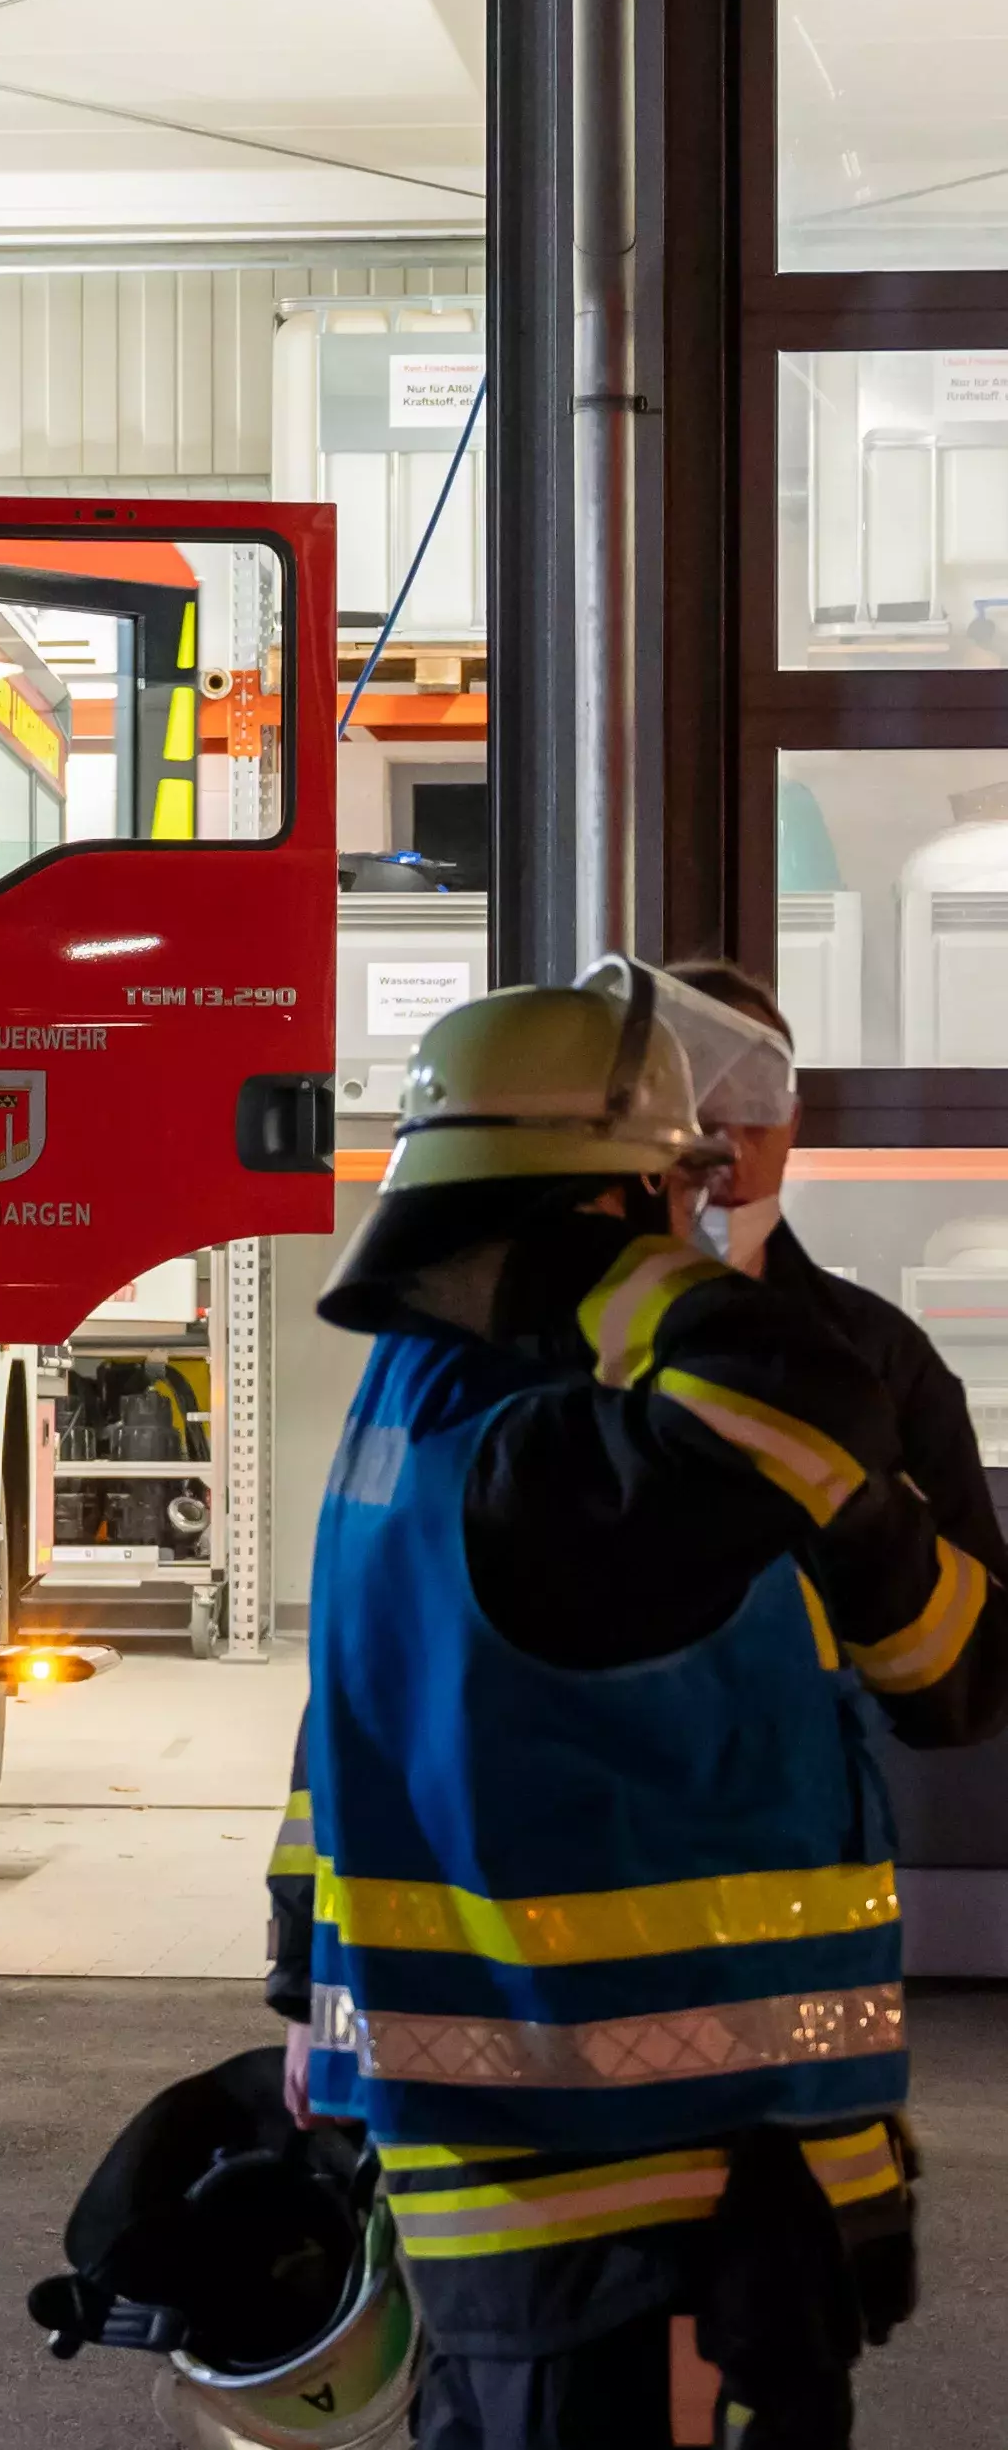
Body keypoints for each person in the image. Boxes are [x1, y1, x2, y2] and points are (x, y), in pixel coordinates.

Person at [261, 964, 986, 2446]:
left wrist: (308, 2004)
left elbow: (351, 1736)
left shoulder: (413, 1404)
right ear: (623, 1198)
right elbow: (928, 1635)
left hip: (515, 2185)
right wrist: (609, 1261)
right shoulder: (582, 1456)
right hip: (653, 2194)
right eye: (678, 1175)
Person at [667, 955, 1008, 1739]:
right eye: (694, 1106)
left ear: (792, 1120)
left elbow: (975, 1683)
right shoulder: (531, 1338)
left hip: (799, 1823)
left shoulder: (878, 1358)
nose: (728, 1144)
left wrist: (863, 1514)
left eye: (753, 1102)